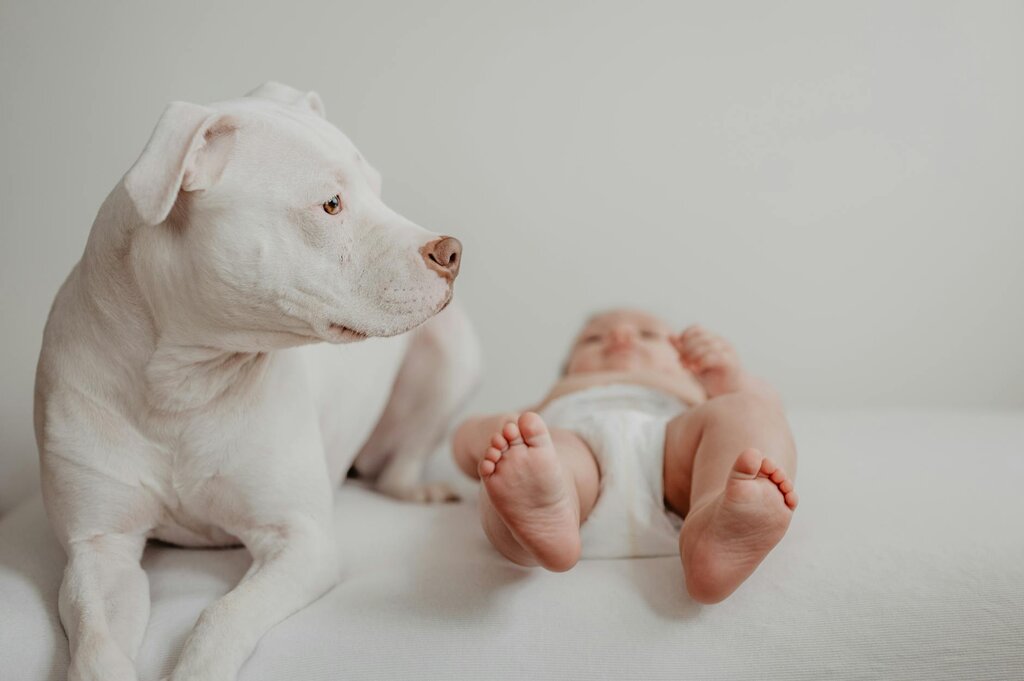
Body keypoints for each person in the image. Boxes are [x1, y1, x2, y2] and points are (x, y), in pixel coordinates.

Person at [452, 309, 798, 604]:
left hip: (674, 451)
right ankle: (535, 520)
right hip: (574, 455)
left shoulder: (698, 391)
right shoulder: (554, 401)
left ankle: (713, 524)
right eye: (592, 339)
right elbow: (465, 441)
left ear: (687, 366)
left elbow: (770, 409)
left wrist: (731, 380)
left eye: (648, 334)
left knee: (747, 410)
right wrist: (489, 431)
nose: (620, 336)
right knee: (524, 454)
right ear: (570, 368)